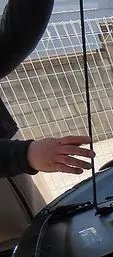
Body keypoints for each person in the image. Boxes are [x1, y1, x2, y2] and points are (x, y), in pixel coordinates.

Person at [0, 0, 94, 179]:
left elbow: (12, 39)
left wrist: (23, 155)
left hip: (14, 157)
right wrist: (24, 155)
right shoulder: (22, 155)